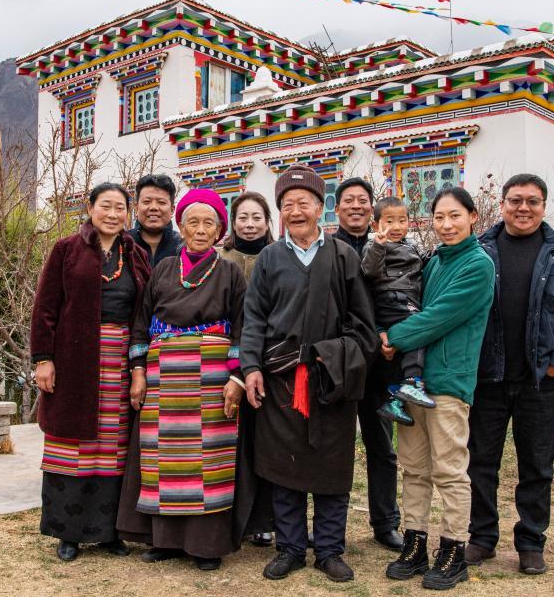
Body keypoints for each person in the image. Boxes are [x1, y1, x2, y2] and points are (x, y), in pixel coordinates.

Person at [241, 165, 378, 583]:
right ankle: (291, 548)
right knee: (284, 466)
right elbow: (254, 320)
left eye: (304, 203)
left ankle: (330, 549)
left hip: (331, 380)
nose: (295, 211)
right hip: (280, 379)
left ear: (321, 208)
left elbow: (363, 324)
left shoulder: (343, 256)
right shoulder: (269, 258)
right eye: (287, 205)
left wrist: (332, 357)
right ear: (280, 212)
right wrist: (250, 368)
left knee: (331, 466)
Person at [466, 174, 554, 576]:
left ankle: (531, 541)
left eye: (533, 202)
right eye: (516, 200)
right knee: (480, 463)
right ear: (501, 204)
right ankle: (482, 537)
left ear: (544, 206)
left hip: (540, 380)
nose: (524, 208)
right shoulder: (479, 250)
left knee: (537, 465)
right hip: (487, 378)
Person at [117, 189, 248, 571]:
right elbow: (141, 323)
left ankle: (206, 545)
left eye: (209, 222)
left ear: (220, 229)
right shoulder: (163, 269)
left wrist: (236, 378)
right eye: (193, 222)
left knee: (208, 459)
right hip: (162, 377)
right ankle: (166, 541)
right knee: (164, 457)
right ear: (182, 226)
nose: (201, 229)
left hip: (212, 376)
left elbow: (244, 328)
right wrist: (138, 372)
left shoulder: (230, 272)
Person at [379, 187, 495, 589]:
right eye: (440, 217)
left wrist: (390, 336)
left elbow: (436, 318)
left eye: (455, 216)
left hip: (448, 382)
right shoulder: (431, 263)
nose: (446, 225)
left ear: (473, 217)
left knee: (449, 470)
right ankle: (414, 543)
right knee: (413, 468)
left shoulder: (477, 265)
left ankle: (453, 549)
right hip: (414, 383)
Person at [31, 183, 152, 562]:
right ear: (90, 207)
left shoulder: (135, 255)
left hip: (120, 358)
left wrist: (138, 366)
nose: (113, 214)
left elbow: (144, 314)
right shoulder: (66, 249)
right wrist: (43, 358)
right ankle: (68, 534)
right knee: (73, 447)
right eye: (106, 206)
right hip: (74, 360)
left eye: (120, 207)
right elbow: (45, 308)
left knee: (112, 449)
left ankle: (108, 532)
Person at [333, 176, 402, 551]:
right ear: (337, 208)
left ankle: (386, 521)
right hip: (342, 362)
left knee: (382, 447)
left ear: (372, 210)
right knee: (335, 448)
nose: (356, 206)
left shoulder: (394, 246)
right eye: (348, 201)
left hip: (382, 364)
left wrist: (396, 335)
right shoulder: (327, 248)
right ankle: (330, 527)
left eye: (363, 200)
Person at [219, 191, 277, 548]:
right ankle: (225, 514)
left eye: (257, 217)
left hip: (270, 362)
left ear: (268, 222)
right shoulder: (219, 258)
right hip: (223, 363)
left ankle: (263, 520)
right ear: (233, 221)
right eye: (243, 217)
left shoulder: (278, 257)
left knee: (264, 443)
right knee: (228, 442)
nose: (250, 224)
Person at [361, 197, 435, 426]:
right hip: (392, 300)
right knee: (419, 330)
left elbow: (423, 261)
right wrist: (379, 246)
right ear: (376, 226)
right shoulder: (374, 246)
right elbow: (370, 271)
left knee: (399, 352)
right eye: (389, 221)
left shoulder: (410, 244)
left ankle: (395, 400)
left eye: (402, 220)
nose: (396, 226)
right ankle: (412, 382)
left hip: (406, 300)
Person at [129, 174, 183, 266]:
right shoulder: (123, 243)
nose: (153, 207)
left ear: (172, 210)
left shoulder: (182, 247)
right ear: (136, 208)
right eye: (147, 202)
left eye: (161, 202)